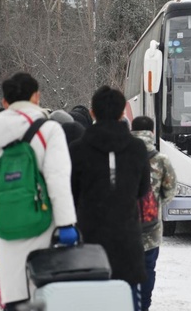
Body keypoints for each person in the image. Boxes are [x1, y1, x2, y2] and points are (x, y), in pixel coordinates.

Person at [0, 72, 78, 310]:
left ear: (4, 102)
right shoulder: (49, 130)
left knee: (16, 298)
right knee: (47, 298)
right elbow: (57, 179)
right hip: (45, 228)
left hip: (7, 232)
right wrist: (66, 224)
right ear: (36, 97)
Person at [69, 86, 150, 311]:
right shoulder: (137, 148)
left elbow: (71, 193)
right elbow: (143, 191)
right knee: (128, 298)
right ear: (122, 112)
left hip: (89, 239)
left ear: (92, 113)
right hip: (128, 239)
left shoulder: (77, 149)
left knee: (92, 301)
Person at [131, 116, 177, 311]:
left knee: (127, 268)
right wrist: (155, 205)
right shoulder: (160, 159)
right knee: (148, 268)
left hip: (125, 227)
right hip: (151, 227)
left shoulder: (122, 155)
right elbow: (170, 190)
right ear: (151, 132)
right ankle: (144, 305)